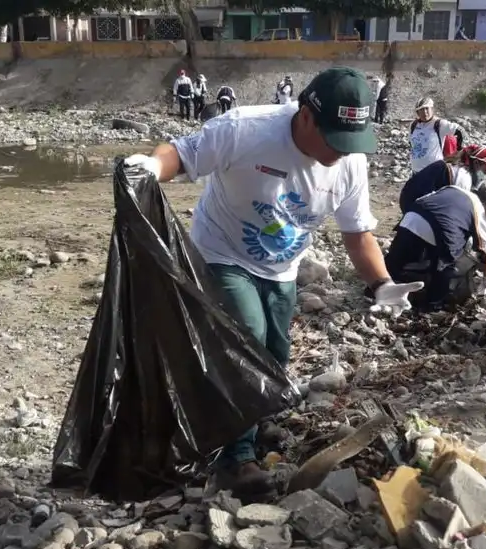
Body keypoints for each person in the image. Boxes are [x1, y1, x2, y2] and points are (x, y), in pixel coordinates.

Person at [123, 67, 423, 496]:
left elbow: (358, 235)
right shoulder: (246, 129)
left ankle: (253, 422)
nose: (341, 152)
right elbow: (183, 154)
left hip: (283, 267)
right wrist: (153, 165)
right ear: (306, 116)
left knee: (276, 355)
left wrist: (381, 283)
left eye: (351, 141)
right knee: (247, 341)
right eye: (334, 139)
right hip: (222, 252)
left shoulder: (350, 163)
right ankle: (234, 461)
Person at [385, 146, 486, 310]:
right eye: (485, 170)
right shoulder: (468, 189)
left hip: (412, 216)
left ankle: (377, 288)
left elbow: (438, 202)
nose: (485, 174)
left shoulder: (455, 183)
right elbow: (484, 248)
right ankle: (432, 305)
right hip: (435, 222)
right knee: (445, 264)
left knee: (397, 257)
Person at [410, 97, 465, 174]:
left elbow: (460, 131)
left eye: (427, 108)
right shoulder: (413, 125)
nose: (425, 112)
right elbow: (412, 144)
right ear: (418, 113)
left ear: (432, 109)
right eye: (421, 110)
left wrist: (459, 150)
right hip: (415, 172)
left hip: (434, 172)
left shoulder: (439, 124)